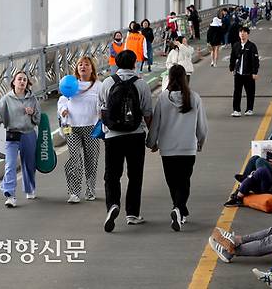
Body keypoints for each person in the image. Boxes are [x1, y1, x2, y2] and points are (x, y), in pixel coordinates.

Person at [147, 65, 207, 231]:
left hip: (167, 149)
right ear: (185, 79)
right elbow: (202, 126)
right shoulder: (194, 98)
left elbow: (155, 124)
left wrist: (151, 142)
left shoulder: (163, 98)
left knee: (172, 182)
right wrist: (200, 142)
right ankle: (179, 209)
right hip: (188, 148)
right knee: (184, 181)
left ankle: (178, 209)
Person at [99, 50, 154, 232]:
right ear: (134, 64)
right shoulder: (141, 84)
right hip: (135, 135)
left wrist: (106, 129)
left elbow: (102, 110)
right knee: (135, 175)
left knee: (112, 175)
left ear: (116, 63)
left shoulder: (107, 83)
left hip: (113, 136)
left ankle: (113, 205)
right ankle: (132, 214)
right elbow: (147, 113)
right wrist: (152, 138)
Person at [57, 57, 102, 204]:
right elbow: (62, 100)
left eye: (86, 64)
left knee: (91, 161)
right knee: (75, 160)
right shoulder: (71, 83)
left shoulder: (98, 86)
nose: (83, 67)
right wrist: (63, 110)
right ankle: (74, 192)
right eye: (80, 64)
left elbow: (103, 102)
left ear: (92, 69)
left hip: (92, 128)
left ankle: (90, 190)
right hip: (72, 128)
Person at [0, 72, 41, 208]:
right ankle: (10, 195)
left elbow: (38, 119)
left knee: (29, 164)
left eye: (24, 80)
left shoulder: (32, 99)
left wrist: (32, 113)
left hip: (28, 133)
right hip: (12, 135)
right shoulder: (6, 99)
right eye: (19, 79)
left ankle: (29, 188)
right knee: (10, 165)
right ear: (13, 82)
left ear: (27, 83)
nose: (22, 82)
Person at [230, 26, 260, 117]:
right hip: (238, 73)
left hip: (249, 74)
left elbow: (255, 60)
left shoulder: (252, 46)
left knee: (250, 92)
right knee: (237, 92)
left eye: (244, 32)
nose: (242, 34)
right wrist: (232, 68)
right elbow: (232, 57)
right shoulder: (236, 45)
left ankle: (249, 109)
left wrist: (255, 72)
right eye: (240, 32)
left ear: (248, 34)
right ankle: (236, 110)